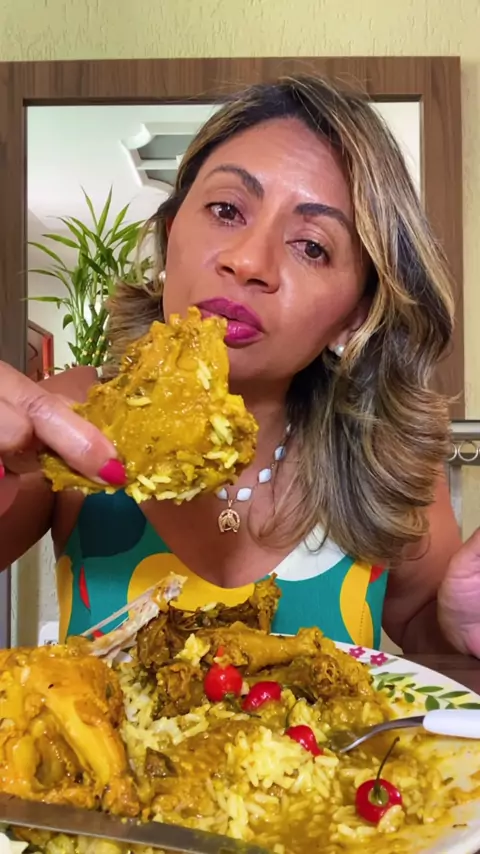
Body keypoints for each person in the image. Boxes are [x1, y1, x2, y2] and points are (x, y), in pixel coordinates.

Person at [0, 74, 473, 655]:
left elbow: (433, 636)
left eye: (312, 246)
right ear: (171, 236)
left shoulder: (386, 457)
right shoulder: (73, 419)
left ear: (355, 314)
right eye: (226, 210)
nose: (249, 262)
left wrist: (456, 627)